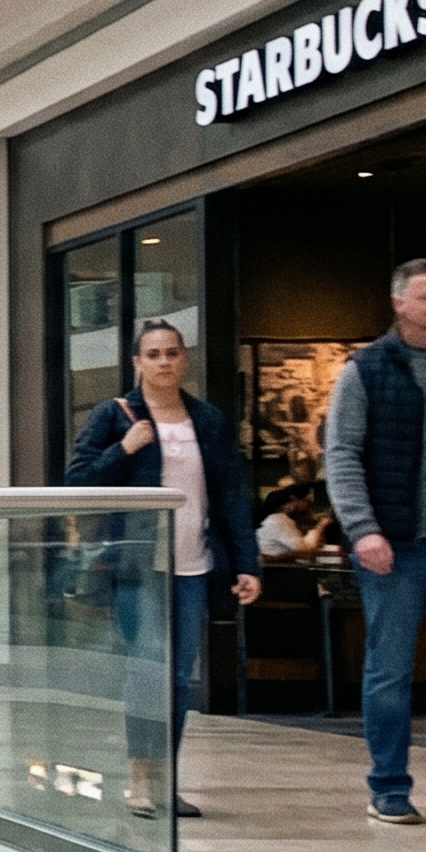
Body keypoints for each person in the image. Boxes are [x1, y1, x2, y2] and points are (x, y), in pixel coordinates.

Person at [68, 320, 260, 821]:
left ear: (184, 359)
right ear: (137, 363)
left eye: (172, 352)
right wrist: (125, 448)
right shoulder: (114, 416)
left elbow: (232, 495)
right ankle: (138, 778)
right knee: (148, 666)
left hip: (194, 565)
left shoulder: (208, 421)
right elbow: (78, 481)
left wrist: (246, 563)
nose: (164, 362)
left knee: (177, 676)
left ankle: (165, 779)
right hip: (139, 566)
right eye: (152, 354)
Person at [324, 259, 426, 825]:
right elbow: (340, 454)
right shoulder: (366, 369)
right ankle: (389, 786)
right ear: (400, 303)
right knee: (390, 670)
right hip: (396, 545)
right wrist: (363, 529)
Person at [256, 483, 329, 563]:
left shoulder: (274, 518)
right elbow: (304, 552)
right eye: (307, 502)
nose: (309, 507)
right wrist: (321, 526)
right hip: (278, 571)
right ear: (293, 499)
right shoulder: (279, 520)